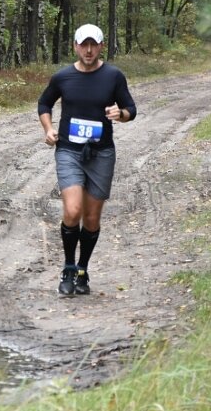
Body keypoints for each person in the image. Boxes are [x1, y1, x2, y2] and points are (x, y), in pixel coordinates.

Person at [37, 24, 137, 296]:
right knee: (72, 211)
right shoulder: (63, 77)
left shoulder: (113, 76)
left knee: (91, 218)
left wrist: (121, 114)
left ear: (102, 46)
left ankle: (82, 269)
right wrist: (48, 128)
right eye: (84, 45)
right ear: (75, 46)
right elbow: (44, 104)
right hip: (69, 151)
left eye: (94, 45)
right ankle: (68, 267)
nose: (89, 50)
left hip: (101, 153)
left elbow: (131, 109)